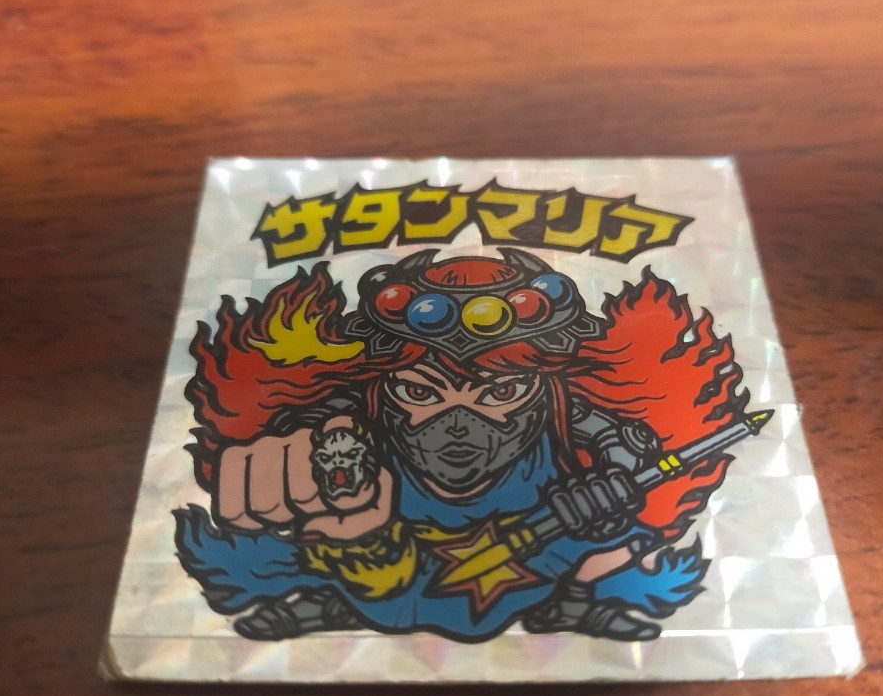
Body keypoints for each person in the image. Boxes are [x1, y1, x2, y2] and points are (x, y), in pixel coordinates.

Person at [175, 249, 745, 643]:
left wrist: (613, 484)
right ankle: (336, 594)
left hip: (543, 539)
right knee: (342, 536)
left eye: (499, 391)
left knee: (615, 542)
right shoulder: (358, 413)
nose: (456, 426)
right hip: (394, 543)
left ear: (539, 385)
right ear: (387, 386)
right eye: (422, 391)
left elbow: (624, 442)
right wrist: (295, 451)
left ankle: (570, 602)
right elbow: (312, 423)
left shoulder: (564, 410)